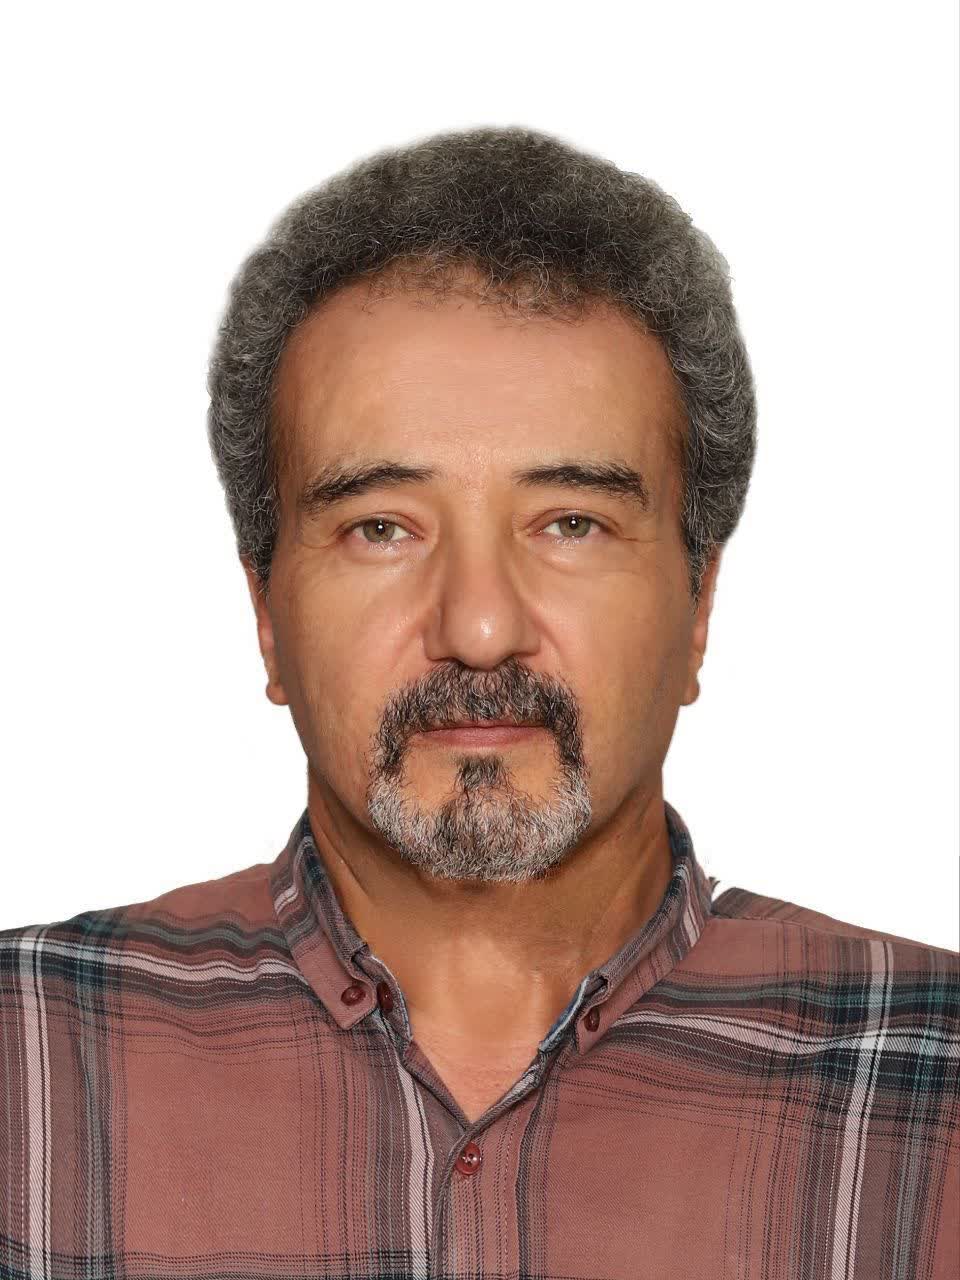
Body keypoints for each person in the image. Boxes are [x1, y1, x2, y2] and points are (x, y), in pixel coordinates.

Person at [1, 124, 956, 1278]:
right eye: (381, 527)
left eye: (571, 523)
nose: (480, 626)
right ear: (266, 610)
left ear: (699, 601)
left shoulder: (937, 1087)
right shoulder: (25, 1063)